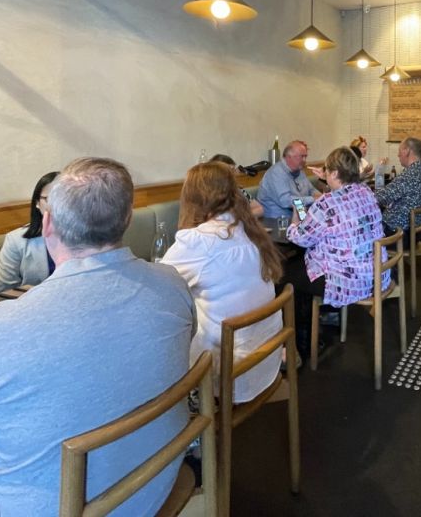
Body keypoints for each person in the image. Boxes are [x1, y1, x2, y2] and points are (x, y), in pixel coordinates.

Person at [0, 158, 195, 516]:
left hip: (61, 506)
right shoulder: (173, 284)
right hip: (152, 483)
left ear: (47, 223)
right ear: (128, 218)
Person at [161, 161, 283, 402]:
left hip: (232, 373)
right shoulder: (247, 229)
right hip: (265, 360)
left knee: (164, 334)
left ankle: (183, 414)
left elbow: (158, 288)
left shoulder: (199, 241)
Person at [286, 147, 387, 306]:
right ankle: (328, 315)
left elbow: (301, 239)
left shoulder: (326, 204)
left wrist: (294, 222)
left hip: (348, 283)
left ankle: (307, 327)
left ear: (334, 173)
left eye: (326, 170)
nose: (324, 173)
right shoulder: (366, 191)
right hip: (376, 273)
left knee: (287, 273)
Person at [0, 171, 60, 295]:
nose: (58, 205)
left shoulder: (91, 237)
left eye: (65, 198)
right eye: (50, 198)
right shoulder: (16, 240)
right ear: (37, 203)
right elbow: (2, 290)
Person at [375, 137, 421, 238]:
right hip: (416, 231)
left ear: (407, 151)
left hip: (399, 233)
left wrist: (379, 171)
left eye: (399, 151)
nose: (398, 155)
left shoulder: (409, 174)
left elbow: (381, 198)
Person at [257, 140, 321, 218]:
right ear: (289, 156)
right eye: (301, 156)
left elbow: (311, 190)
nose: (304, 160)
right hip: (278, 221)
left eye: (305, 156)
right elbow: (286, 201)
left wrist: (320, 197)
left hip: (299, 218)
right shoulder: (276, 173)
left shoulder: (299, 171)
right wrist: (312, 199)